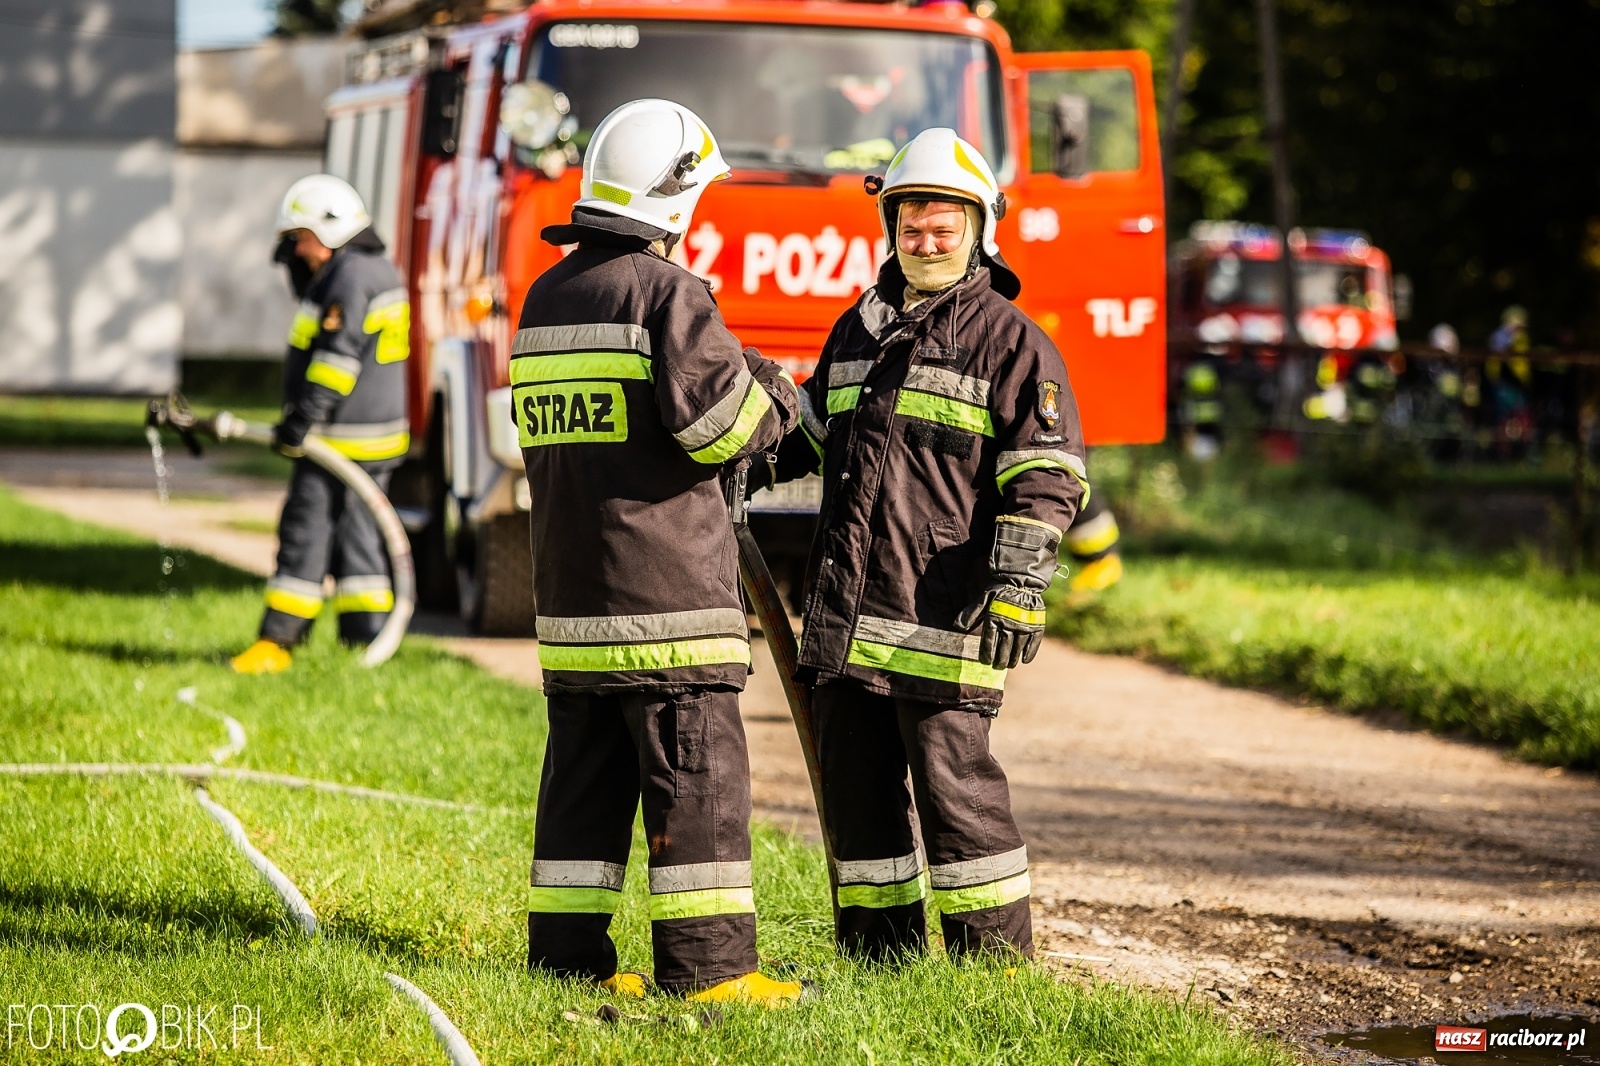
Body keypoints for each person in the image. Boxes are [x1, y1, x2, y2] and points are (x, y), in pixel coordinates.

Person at [763, 128, 1088, 961]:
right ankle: (882, 963)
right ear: (891, 229)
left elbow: (1048, 474)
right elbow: (807, 431)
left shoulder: (1013, 342)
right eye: (912, 225)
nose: (927, 240)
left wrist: (1018, 586)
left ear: (978, 229)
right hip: (846, 628)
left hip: (944, 624)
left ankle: (992, 971)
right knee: (861, 810)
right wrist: (737, 458)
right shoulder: (858, 330)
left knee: (960, 805)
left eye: (944, 226)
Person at [515, 99, 804, 1006]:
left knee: (583, 791)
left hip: (575, 604)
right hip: (669, 607)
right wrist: (777, 393)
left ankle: (565, 960)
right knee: (697, 785)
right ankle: (712, 974)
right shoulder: (667, 293)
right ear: (674, 196)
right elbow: (725, 428)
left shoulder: (547, 295)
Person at [231, 176, 410, 674]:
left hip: (339, 439)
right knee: (361, 541)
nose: (297, 252)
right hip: (368, 439)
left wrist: (301, 419)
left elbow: (336, 360)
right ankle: (365, 644)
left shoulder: (347, 278)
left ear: (326, 231)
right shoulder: (375, 270)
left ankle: (277, 643)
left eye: (299, 238)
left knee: (305, 533)